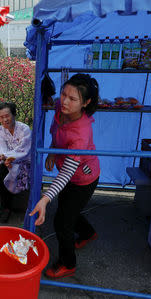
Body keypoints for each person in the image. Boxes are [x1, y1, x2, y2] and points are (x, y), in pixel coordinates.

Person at [29, 73, 100, 279]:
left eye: (73, 98)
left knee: (62, 221)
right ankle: (88, 233)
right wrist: (52, 150)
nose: (64, 101)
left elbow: (67, 173)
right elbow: (57, 132)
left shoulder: (81, 133)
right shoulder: (61, 107)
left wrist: (44, 198)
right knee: (68, 210)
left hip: (83, 179)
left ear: (85, 103)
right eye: (63, 94)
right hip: (69, 174)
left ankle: (68, 263)